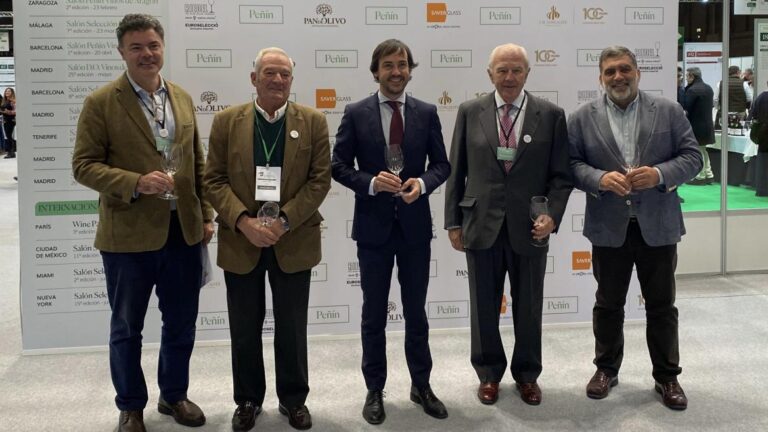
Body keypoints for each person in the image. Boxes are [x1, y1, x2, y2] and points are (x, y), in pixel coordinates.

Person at [71, 13, 213, 432]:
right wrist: (135, 182)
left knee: (181, 323)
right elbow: (83, 166)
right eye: (136, 47)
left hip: (182, 232)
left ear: (162, 47)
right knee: (127, 327)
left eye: (153, 45)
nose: (146, 54)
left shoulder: (181, 97)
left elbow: (198, 163)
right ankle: (131, 405)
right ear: (122, 52)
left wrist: (206, 215)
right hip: (127, 238)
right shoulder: (101, 102)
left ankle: (174, 395)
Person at [568, 46, 702, 411]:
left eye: (624, 69)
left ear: (638, 72)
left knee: (661, 306)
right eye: (610, 71)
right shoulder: (581, 118)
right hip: (608, 227)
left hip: (658, 225)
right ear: (600, 78)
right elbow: (571, 165)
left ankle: (667, 377)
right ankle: (606, 370)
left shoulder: (670, 111)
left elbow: (693, 157)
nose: (618, 77)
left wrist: (659, 174)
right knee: (608, 305)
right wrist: (599, 179)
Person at [203, 47, 331, 431]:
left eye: (284, 74)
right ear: (253, 78)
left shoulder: (313, 121)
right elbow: (213, 180)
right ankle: (247, 400)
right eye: (269, 73)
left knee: (292, 327)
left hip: (294, 239)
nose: (277, 80)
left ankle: (294, 400)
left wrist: (284, 221)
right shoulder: (226, 121)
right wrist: (243, 222)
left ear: (292, 80)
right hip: (241, 240)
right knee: (244, 328)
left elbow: (319, 181)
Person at [443, 43, 573, 407]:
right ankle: (488, 374)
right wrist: (453, 222)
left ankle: (527, 375)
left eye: (516, 70)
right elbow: (457, 170)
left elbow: (561, 177)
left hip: (531, 227)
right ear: (490, 75)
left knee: (529, 306)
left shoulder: (551, 115)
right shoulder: (470, 111)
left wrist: (552, 215)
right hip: (480, 223)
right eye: (502, 70)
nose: (510, 77)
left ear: (528, 73)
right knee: (483, 306)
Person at [331, 39, 451, 425]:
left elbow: (442, 165)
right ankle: (374, 389)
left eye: (402, 64)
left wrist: (423, 183)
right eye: (388, 65)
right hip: (373, 230)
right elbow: (338, 165)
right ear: (376, 71)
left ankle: (421, 385)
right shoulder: (355, 113)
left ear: (410, 70)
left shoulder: (427, 112)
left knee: (416, 313)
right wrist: (370, 183)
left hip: (415, 230)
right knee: (373, 315)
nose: (396, 71)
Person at [684, 67, 716, 185]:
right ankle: (709, 173)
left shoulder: (692, 90)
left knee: (698, 150)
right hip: (707, 125)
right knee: (703, 149)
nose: (686, 79)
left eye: (687, 76)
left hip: (696, 125)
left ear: (692, 76)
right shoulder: (708, 88)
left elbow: (686, 108)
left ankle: (700, 176)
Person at [715, 65, 748, 129]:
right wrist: (744, 106)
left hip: (724, 114)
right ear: (738, 72)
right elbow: (750, 98)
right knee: (739, 132)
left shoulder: (720, 83)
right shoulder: (744, 84)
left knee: (722, 132)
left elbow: (715, 99)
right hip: (740, 114)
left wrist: (719, 108)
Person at [1, 87, 16, 159]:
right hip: (5, 121)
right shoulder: (4, 101)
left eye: (9, 91)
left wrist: (8, 112)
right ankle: (10, 152)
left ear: (12, 93)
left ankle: (11, 152)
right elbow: (3, 111)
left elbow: (15, 112)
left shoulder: (13, 101)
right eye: (6, 91)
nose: (7, 92)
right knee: (8, 136)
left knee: (9, 136)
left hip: (11, 121)